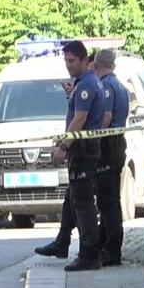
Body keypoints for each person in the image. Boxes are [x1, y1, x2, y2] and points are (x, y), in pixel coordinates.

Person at [51, 42, 105, 272]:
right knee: (75, 200)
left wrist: (64, 146)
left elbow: (80, 119)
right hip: (83, 150)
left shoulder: (87, 85)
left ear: (84, 60)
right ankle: (65, 243)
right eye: (65, 61)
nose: (68, 65)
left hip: (84, 151)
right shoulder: (84, 83)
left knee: (83, 205)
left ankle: (89, 255)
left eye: (72, 61)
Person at [95, 49, 130, 267]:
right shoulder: (121, 86)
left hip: (108, 145)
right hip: (117, 144)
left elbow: (106, 116)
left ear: (96, 65)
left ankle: (111, 249)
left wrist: (94, 137)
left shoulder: (106, 86)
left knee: (107, 202)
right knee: (110, 200)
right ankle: (105, 245)